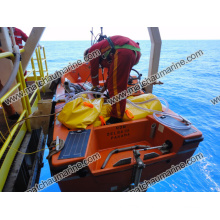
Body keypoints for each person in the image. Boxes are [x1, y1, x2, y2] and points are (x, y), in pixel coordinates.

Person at [84, 35, 141, 125]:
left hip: (124, 52)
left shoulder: (92, 51)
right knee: (118, 83)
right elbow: (111, 75)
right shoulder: (106, 52)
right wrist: (104, 88)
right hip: (135, 52)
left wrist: (95, 86)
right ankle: (118, 106)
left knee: (115, 87)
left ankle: (116, 117)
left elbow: (94, 71)